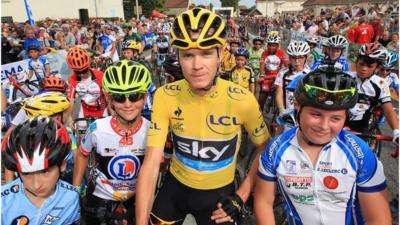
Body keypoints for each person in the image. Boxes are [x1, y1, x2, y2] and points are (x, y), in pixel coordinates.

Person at [136, 7, 270, 225]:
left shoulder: (242, 99)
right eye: (188, 55)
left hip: (218, 196)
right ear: (178, 55)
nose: (197, 66)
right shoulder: (165, 95)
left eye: (206, 53)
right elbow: (151, 164)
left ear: (221, 54)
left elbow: (266, 149)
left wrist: (242, 194)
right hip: (175, 189)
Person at [255, 68, 392, 225]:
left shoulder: (359, 152)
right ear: (298, 107)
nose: (324, 126)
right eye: (316, 114)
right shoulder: (276, 149)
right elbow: (263, 202)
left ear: (346, 117)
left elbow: (378, 219)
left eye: (335, 118)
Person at [72, 60, 152, 224]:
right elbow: (82, 154)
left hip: (137, 194)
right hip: (102, 193)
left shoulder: (152, 130)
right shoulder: (97, 129)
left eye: (135, 96)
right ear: (110, 99)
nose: (128, 104)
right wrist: (75, 188)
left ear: (144, 97)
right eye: (119, 97)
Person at [2, 116, 81, 225]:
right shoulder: (3, 200)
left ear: (62, 164)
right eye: (26, 173)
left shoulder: (70, 197)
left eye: (45, 172)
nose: (36, 185)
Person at [348, 43, 399, 143]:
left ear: (377, 68)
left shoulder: (380, 83)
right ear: (356, 62)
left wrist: (397, 132)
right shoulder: (346, 77)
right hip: (339, 126)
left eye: (369, 66)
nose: (364, 69)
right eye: (361, 64)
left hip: (361, 130)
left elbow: (388, 110)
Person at [65, 46, 109, 133]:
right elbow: (71, 100)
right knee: (83, 139)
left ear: (88, 65)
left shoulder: (100, 75)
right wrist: (70, 119)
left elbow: (108, 97)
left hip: (102, 110)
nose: (81, 74)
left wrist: (114, 114)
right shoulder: (72, 79)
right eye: (77, 72)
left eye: (84, 70)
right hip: (85, 110)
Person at [275, 41, 310, 117]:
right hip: (286, 112)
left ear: (306, 57)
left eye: (300, 57)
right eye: (293, 57)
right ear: (289, 58)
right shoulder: (283, 73)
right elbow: (279, 94)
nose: (297, 61)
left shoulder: (310, 75)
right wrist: (282, 111)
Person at [258, 31, 289, 112]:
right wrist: (261, 75)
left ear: (277, 46)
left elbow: (287, 64)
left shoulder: (282, 53)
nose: (271, 47)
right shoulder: (264, 53)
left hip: (278, 76)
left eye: (274, 46)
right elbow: (261, 65)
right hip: (267, 76)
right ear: (267, 45)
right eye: (270, 45)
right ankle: (259, 111)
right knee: (261, 97)